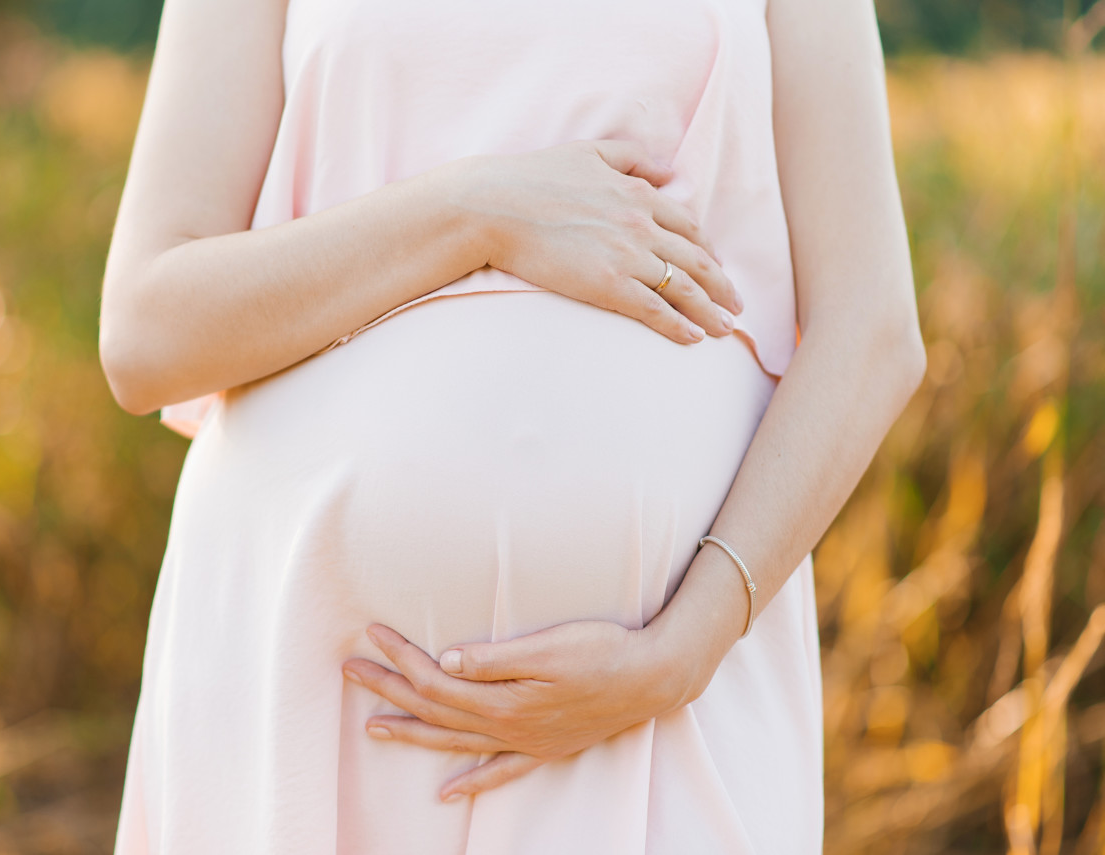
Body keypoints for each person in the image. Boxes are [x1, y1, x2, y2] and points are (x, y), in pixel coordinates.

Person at [97, 0, 926, 850]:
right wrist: (480, 211)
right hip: (312, 674)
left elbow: (873, 330)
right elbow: (146, 330)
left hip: (661, 705)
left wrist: (686, 649)